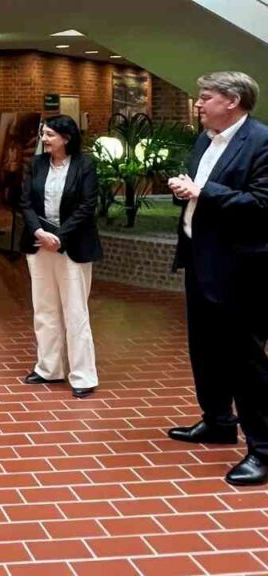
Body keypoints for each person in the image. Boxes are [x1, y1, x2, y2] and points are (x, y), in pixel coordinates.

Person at [165, 71, 268, 486]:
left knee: (245, 361)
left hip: (241, 268)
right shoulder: (205, 138)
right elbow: (201, 189)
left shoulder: (262, 141)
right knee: (204, 348)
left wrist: (203, 192)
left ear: (233, 100)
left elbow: (262, 203)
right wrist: (185, 191)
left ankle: (262, 450)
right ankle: (218, 422)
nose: (198, 104)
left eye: (205, 97)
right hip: (200, 259)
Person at [19, 114, 102, 399]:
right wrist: (40, 233)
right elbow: (25, 203)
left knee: (75, 311)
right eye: (44, 133)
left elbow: (87, 206)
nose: (44, 139)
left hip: (73, 246)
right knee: (44, 308)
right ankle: (48, 368)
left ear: (66, 138)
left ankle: (82, 375)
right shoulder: (36, 164)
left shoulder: (85, 165)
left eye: (50, 134)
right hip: (39, 243)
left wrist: (60, 237)